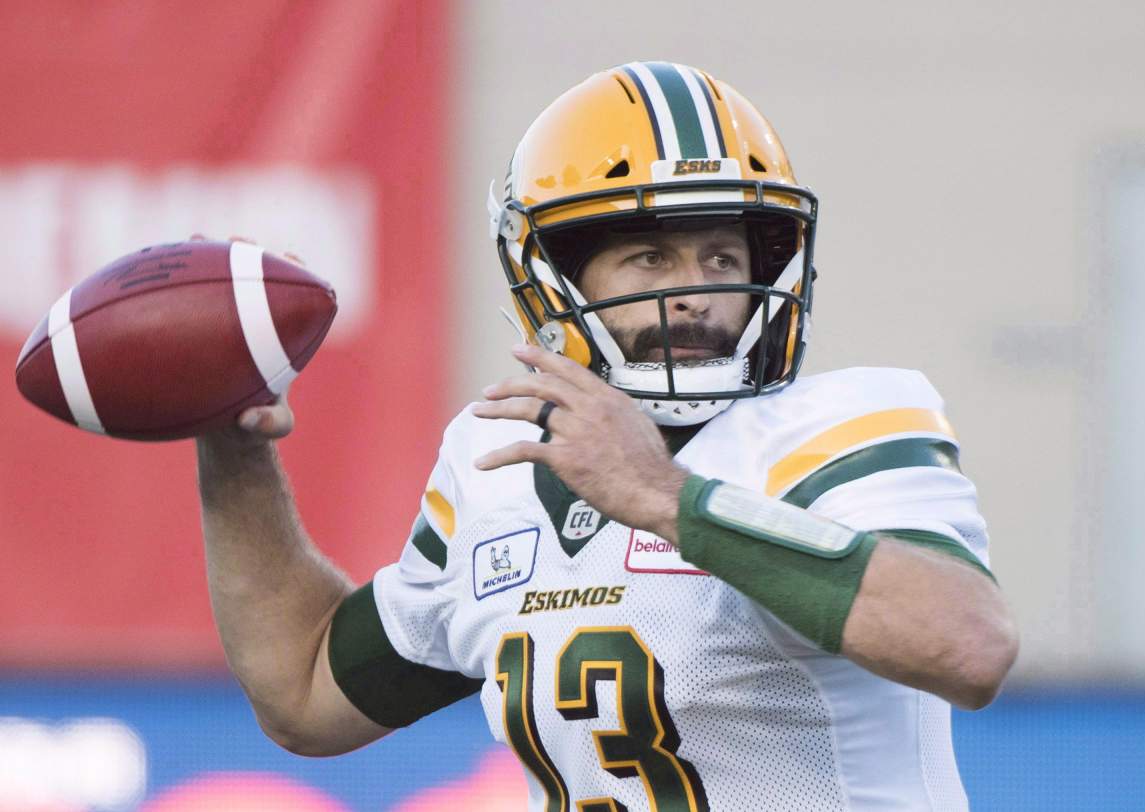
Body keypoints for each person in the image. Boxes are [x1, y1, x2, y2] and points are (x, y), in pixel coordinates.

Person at [197, 61, 1019, 811]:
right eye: (649, 258)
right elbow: (304, 696)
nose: (695, 292)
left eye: (720, 254)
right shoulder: (494, 466)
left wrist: (667, 499)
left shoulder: (839, 421)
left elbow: (968, 644)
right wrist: (233, 445)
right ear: (557, 276)